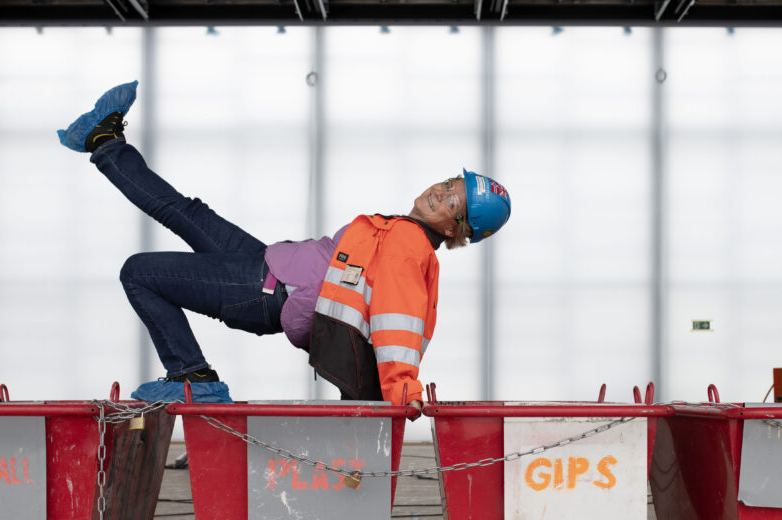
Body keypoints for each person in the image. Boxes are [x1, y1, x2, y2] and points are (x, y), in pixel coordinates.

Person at [58, 81, 511, 407]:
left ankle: (191, 376)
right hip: (270, 263)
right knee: (187, 211)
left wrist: (403, 390)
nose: (441, 191)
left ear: (454, 229)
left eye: (453, 200)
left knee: (139, 272)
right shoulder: (401, 230)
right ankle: (103, 140)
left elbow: (398, 324)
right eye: (450, 182)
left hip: (268, 293)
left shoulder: (410, 248)